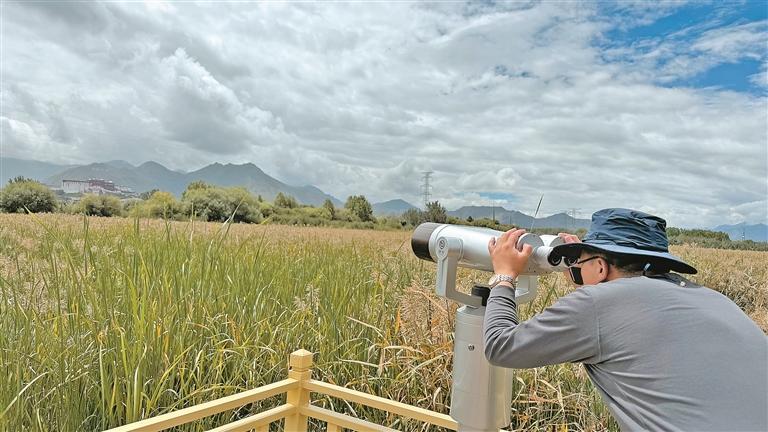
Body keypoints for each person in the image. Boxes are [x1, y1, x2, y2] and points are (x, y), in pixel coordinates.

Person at [483, 208, 767, 431]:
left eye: (580, 262)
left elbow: (500, 346)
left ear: (601, 267)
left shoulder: (597, 304)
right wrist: (585, 271)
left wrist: (504, 276)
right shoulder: (714, 299)